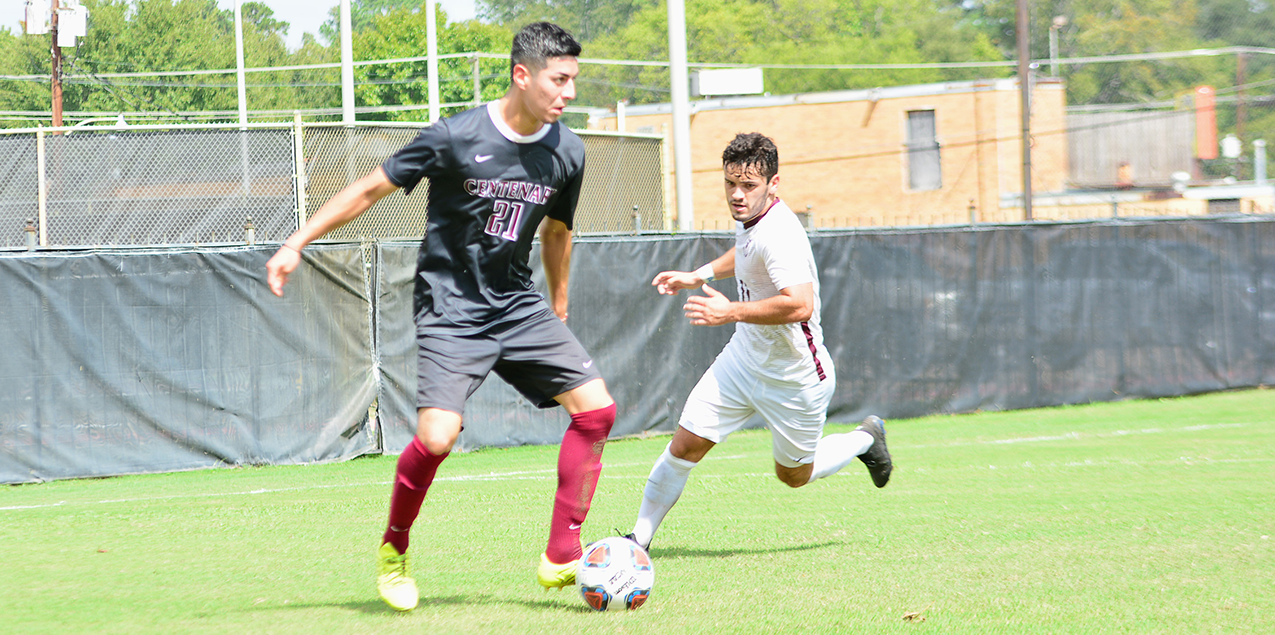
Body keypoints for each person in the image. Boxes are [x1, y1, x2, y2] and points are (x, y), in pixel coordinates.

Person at [265, 22, 615, 611]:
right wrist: (296, 241)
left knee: (597, 412)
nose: (569, 93)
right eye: (559, 80)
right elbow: (370, 190)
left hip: (519, 304)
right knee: (436, 438)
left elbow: (558, 230)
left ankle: (561, 551)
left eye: (574, 80)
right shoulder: (456, 137)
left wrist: (557, 307)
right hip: (452, 308)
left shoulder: (568, 152)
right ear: (521, 75)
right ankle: (394, 547)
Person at [627, 132, 892, 551]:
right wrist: (700, 275)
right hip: (743, 359)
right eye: (730, 183)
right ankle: (636, 541)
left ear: (773, 184)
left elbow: (799, 304)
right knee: (684, 446)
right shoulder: (754, 220)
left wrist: (730, 310)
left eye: (748, 186)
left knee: (793, 476)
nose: (737, 194)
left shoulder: (779, 233)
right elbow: (748, 252)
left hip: (795, 375)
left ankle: (865, 439)